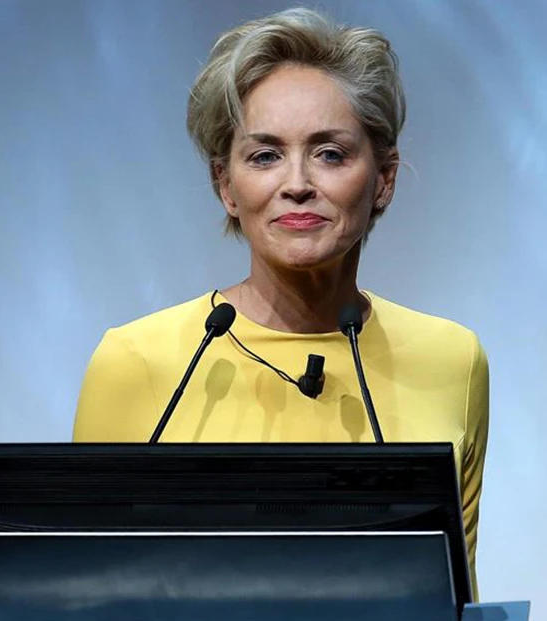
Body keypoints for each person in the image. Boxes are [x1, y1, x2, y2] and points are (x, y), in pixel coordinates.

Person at [72, 8, 488, 597]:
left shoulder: (452, 360)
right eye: (265, 155)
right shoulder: (136, 361)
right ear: (226, 185)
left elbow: (453, 601)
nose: (297, 183)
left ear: (384, 178)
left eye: (330, 153)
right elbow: (85, 595)